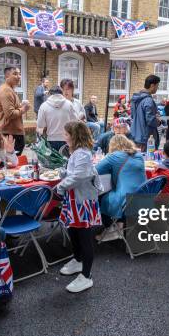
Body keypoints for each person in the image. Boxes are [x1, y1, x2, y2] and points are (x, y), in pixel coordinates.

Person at [56, 121, 103, 293]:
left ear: (74, 136)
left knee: (84, 237)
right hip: (75, 199)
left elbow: (79, 176)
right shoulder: (77, 152)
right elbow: (75, 173)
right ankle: (78, 260)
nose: (64, 136)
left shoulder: (82, 154)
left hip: (82, 201)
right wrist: (63, 173)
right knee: (74, 231)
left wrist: (60, 186)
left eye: (66, 133)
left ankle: (87, 275)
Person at [96, 134, 147, 242]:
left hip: (126, 200)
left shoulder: (113, 156)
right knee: (117, 192)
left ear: (112, 145)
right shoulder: (138, 155)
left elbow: (96, 170)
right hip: (145, 198)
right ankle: (118, 226)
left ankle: (111, 228)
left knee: (100, 197)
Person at [0, 66, 30, 155]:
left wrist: (20, 107)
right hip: (10, 133)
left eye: (19, 74)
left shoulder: (9, 89)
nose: (18, 76)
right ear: (7, 76)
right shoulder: (6, 91)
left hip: (11, 131)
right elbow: (10, 114)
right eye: (15, 74)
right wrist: (23, 109)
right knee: (11, 163)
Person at [36, 84, 78, 151]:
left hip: (51, 140)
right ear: (62, 93)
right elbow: (75, 121)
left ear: (49, 94)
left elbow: (40, 125)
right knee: (66, 161)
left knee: (52, 161)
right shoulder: (69, 104)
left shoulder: (44, 106)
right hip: (66, 139)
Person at [131, 75, 161, 151]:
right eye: (157, 86)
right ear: (152, 85)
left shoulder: (136, 99)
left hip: (136, 135)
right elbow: (150, 120)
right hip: (146, 137)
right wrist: (159, 121)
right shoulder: (148, 100)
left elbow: (133, 115)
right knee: (148, 160)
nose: (157, 88)